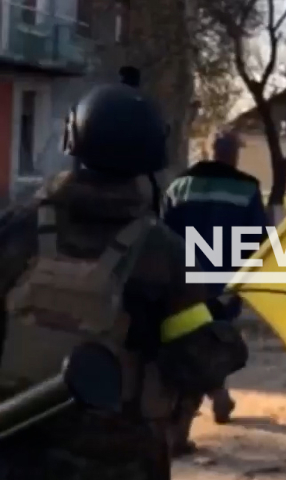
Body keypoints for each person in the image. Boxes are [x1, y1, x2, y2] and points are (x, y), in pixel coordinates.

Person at [0, 81, 247, 479]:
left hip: (15, 454)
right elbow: (199, 364)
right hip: (121, 463)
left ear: (72, 140)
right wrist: (224, 334)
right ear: (149, 159)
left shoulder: (16, 228)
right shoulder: (163, 252)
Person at [162, 130, 268, 457]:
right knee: (212, 342)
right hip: (224, 284)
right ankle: (213, 398)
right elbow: (258, 240)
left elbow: (162, 232)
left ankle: (210, 400)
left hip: (181, 282)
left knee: (187, 344)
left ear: (209, 151)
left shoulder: (179, 186)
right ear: (233, 154)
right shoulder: (247, 187)